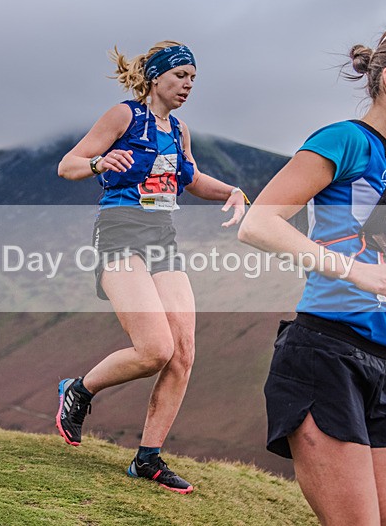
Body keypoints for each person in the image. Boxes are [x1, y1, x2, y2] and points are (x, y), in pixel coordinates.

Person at [238, 24, 386, 524]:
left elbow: (379, 254)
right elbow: (259, 224)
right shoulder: (344, 140)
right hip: (323, 359)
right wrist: (358, 274)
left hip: (381, 366)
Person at [55, 41, 247, 494]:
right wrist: (100, 161)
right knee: (154, 349)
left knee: (183, 351)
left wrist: (232, 191)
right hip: (119, 232)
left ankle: (148, 459)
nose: (188, 86)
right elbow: (68, 165)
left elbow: (191, 178)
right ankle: (79, 390)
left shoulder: (179, 130)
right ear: (156, 77)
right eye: (181, 76)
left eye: (193, 79)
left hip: (163, 238)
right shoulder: (124, 116)